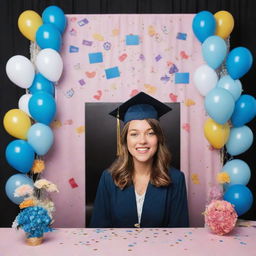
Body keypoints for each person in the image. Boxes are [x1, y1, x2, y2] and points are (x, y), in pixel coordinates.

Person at [90, 92, 189, 228]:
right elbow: (98, 230)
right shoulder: (109, 179)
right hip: (117, 249)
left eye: (150, 133)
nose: (142, 140)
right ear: (125, 139)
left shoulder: (176, 179)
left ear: (158, 138)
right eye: (134, 134)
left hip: (162, 249)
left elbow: (180, 233)